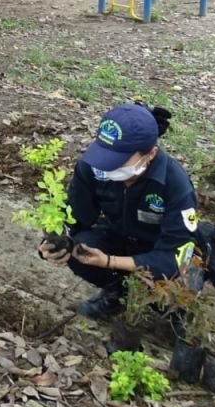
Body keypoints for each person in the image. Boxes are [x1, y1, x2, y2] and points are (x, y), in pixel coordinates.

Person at [38, 103, 199, 320]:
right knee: (81, 248)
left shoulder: (174, 185)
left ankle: (184, 331)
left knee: (179, 286)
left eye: (119, 160)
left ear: (150, 154)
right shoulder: (91, 168)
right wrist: (56, 242)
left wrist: (108, 261)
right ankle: (117, 293)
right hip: (120, 238)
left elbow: (174, 258)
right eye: (105, 155)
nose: (106, 167)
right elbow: (74, 217)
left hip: (159, 250)